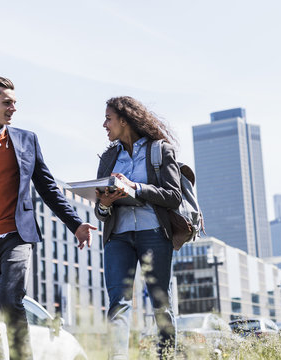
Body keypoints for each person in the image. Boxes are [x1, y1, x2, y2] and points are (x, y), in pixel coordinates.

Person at [0, 76, 97, 360]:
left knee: (11, 302)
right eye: (7, 103)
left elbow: (47, 187)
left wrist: (75, 223)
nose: (13, 108)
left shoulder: (26, 140)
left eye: (14, 103)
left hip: (17, 237)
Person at [95, 96, 182, 359]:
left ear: (124, 120)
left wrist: (136, 188)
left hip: (154, 233)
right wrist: (105, 203)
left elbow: (173, 196)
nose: (104, 125)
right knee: (118, 304)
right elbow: (100, 211)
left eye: (108, 119)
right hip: (118, 236)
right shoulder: (109, 157)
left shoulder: (159, 150)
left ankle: (165, 356)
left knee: (161, 304)